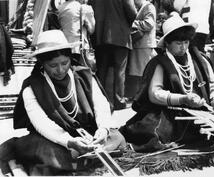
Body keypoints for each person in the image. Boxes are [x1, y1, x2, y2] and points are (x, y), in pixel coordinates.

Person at [0, 30, 125, 176]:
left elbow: (100, 106)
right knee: (44, 150)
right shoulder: (32, 86)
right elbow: (42, 123)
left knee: (117, 139)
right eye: (53, 66)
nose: (60, 70)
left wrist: (103, 130)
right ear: (42, 63)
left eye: (65, 63)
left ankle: (74, 160)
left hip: (88, 135)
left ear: (70, 58)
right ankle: (76, 159)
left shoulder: (84, 76)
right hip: (52, 138)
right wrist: (68, 142)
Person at [119, 14, 214, 152]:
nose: (183, 47)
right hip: (167, 112)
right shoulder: (160, 62)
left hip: (198, 111)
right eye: (178, 43)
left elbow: (213, 84)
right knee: (152, 133)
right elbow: (155, 94)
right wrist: (183, 99)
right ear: (167, 43)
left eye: (186, 42)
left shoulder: (199, 59)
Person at [90, 0, 137, 110]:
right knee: (119, 72)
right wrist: (126, 24)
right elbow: (132, 13)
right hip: (120, 36)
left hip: (101, 36)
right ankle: (119, 102)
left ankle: (100, 102)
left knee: (101, 71)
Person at [126, 0, 157, 99]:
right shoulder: (143, 7)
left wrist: (132, 23)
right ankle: (139, 95)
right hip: (139, 44)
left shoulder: (148, 7)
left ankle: (143, 96)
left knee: (142, 72)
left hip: (144, 44)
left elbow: (149, 24)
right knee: (138, 72)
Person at [58, 0, 95, 65]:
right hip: (79, 47)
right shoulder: (84, 8)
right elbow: (91, 29)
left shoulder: (60, 8)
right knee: (82, 71)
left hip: (64, 46)